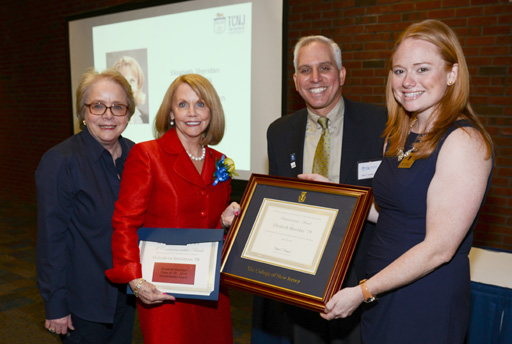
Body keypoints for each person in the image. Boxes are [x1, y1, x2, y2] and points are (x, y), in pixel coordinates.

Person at [319, 19, 494, 344]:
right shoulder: (400, 135)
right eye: (399, 71)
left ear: (452, 74)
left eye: (422, 69)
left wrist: (362, 292)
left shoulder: (464, 141)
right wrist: (333, 194)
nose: (407, 81)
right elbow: (393, 214)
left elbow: (439, 249)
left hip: (424, 296)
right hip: (384, 287)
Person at [252, 35, 387, 343]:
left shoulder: (381, 123)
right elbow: (278, 201)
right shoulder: (280, 131)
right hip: (301, 275)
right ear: (296, 81)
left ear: (341, 74)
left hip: (362, 276)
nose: (315, 78)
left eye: (324, 67)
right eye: (305, 70)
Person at [105, 73, 239, 344]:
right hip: (164, 290)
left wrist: (223, 223)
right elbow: (125, 223)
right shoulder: (147, 155)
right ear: (170, 113)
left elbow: (206, 227)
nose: (192, 112)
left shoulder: (221, 161)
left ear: (212, 111)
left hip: (210, 289)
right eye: (182, 105)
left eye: (200, 104)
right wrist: (135, 281)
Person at [36, 68, 137, 343]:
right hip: (84, 303)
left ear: (128, 114)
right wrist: (56, 304)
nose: (108, 115)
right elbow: (51, 240)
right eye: (97, 106)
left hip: (127, 296)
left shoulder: (136, 155)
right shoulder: (60, 161)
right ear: (83, 112)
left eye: (117, 107)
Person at [113, 55, 149, 124]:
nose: (129, 86)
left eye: (132, 81)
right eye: (124, 80)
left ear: (138, 84)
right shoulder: (109, 118)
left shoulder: (145, 118)